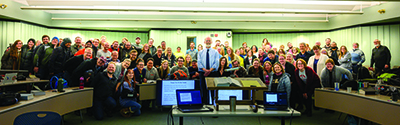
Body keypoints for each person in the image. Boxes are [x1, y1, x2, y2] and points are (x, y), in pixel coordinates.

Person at [198, 37, 220, 103]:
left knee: (213, 91)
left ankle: (214, 105)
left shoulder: (215, 52)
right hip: (203, 73)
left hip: (213, 73)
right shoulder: (200, 52)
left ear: (211, 42)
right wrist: (205, 70)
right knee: (203, 90)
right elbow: (199, 63)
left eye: (209, 41)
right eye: (206, 40)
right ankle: (204, 105)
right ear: (204, 42)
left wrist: (209, 70)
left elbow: (216, 63)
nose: (208, 42)